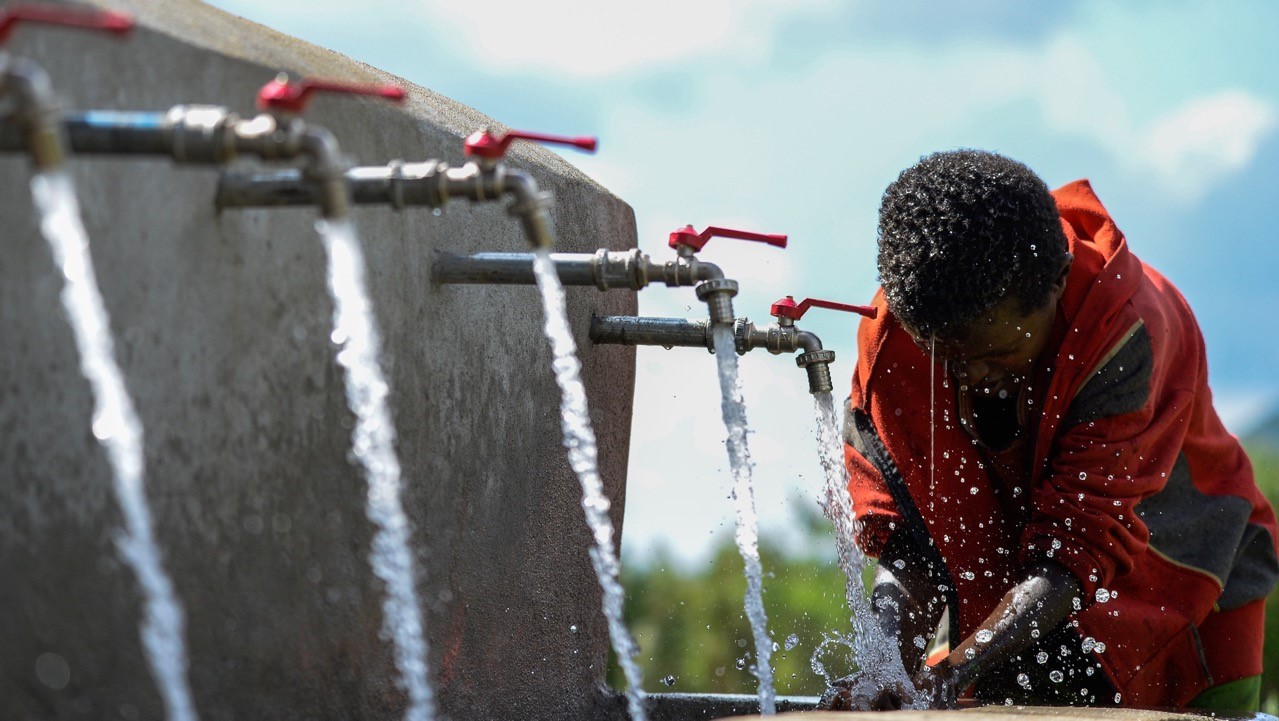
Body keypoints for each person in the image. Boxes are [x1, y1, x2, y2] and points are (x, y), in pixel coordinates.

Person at [820, 150, 1279, 712]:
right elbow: (911, 541)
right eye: (951, 360)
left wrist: (953, 671)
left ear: (1059, 281)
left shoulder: (1126, 330)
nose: (974, 377)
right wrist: (884, 668)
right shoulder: (901, 340)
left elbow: (1075, 552)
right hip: (1019, 616)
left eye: (998, 354)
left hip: (1189, 581)